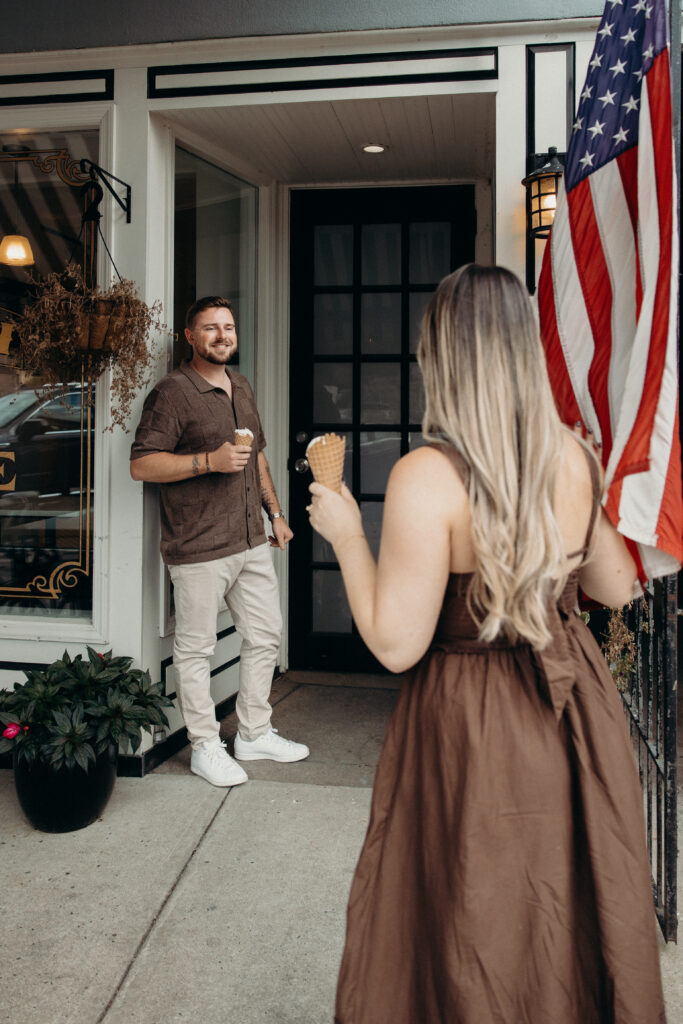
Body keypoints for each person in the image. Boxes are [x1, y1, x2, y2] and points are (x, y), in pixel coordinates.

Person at [308, 265, 665, 1024]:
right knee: (563, 909)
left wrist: (344, 535)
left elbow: (396, 645)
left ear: (438, 355)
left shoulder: (424, 477)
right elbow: (615, 588)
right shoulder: (570, 454)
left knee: (473, 913)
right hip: (572, 712)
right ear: (522, 349)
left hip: (470, 721)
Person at [130, 296, 308, 788]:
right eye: (210, 328)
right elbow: (141, 464)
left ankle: (253, 731)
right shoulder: (172, 393)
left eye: (228, 327)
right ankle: (205, 746)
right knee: (195, 650)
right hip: (199, 546)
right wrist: (208, 461)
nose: (222, 335)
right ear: (190, 337)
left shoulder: (241, 385)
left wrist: (276, 515)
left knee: (265, 635)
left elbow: (258, 458)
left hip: (251, 538)